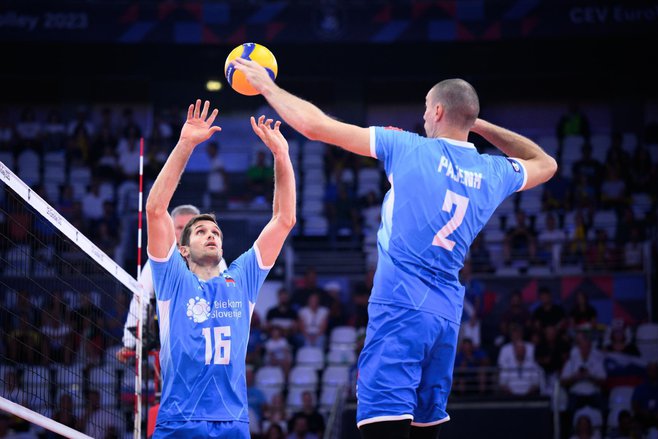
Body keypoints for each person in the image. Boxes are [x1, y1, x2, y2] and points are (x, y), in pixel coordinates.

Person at [232, 60, 557, 439]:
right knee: (424, 426)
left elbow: (314, 127)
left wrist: (267, 87)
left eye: (425, 108)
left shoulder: (408, 147)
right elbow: (546, 164)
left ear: (437, 111)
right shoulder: (493, 171)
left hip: (401, 305)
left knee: (383, 424)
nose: (422, 117)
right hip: (446, 315)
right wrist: (476, 124)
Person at [145, 100, 296, 438]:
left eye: (215, 232)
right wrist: (185, 144)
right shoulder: (172, 279)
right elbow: (156, 210)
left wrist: (281, 156)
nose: (211, 235)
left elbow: (284, 220)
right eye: (200, 231)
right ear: (183, 249)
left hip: (232, 423)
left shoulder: (241, 278)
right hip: (178, 421)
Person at [116, 203, 228, 363]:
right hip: (170, 341)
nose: (183, 232)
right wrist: (130, 343)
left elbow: (224, 301)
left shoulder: (216, 260)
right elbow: (140, 299)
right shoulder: (160, 260)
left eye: (189, 227)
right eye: (179, 227)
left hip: (206, 341)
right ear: (171, 230)